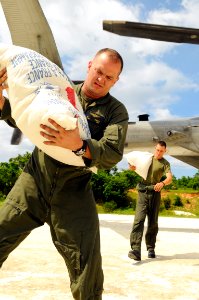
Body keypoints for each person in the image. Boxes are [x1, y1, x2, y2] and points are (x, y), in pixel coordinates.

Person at [0, 48, 129, 300]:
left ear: (116, 81)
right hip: (34, 181)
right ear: (90, 65)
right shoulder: (59, 87)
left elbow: (112, 153)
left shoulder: (116, 111)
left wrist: (79, 145)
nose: (101, 78)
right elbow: (26, 114)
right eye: (99, 71)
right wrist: (4, 104)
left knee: (87, 269)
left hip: (74, 193)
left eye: (109, 77)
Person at [128, 141, 172, 261]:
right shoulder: (146, 158)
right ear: (155, 148)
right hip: (143, 191)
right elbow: (134, 165)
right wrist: (131, 167)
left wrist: (162, 183)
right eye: (157, 150)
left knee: (153, 222)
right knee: (138, 220)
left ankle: (150, 248)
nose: (158, 152)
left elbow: (169, 178)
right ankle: (136, 249)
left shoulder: (165, 163)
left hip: (155, 193)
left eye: (161, 151)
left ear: (165, 151)